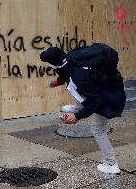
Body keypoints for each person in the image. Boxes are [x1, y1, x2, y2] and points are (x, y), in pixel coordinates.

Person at [40, 46, 126, 174]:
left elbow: (98, 100)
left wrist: (77, 117)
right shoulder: (71, 59)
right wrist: (58, 81)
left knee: (97, 129)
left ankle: (111, 164)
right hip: (104, 87)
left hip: (109, 96)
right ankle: (78, 107)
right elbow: (66, 73)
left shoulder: (78, 79)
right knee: (78, 89)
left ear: (56, 65)